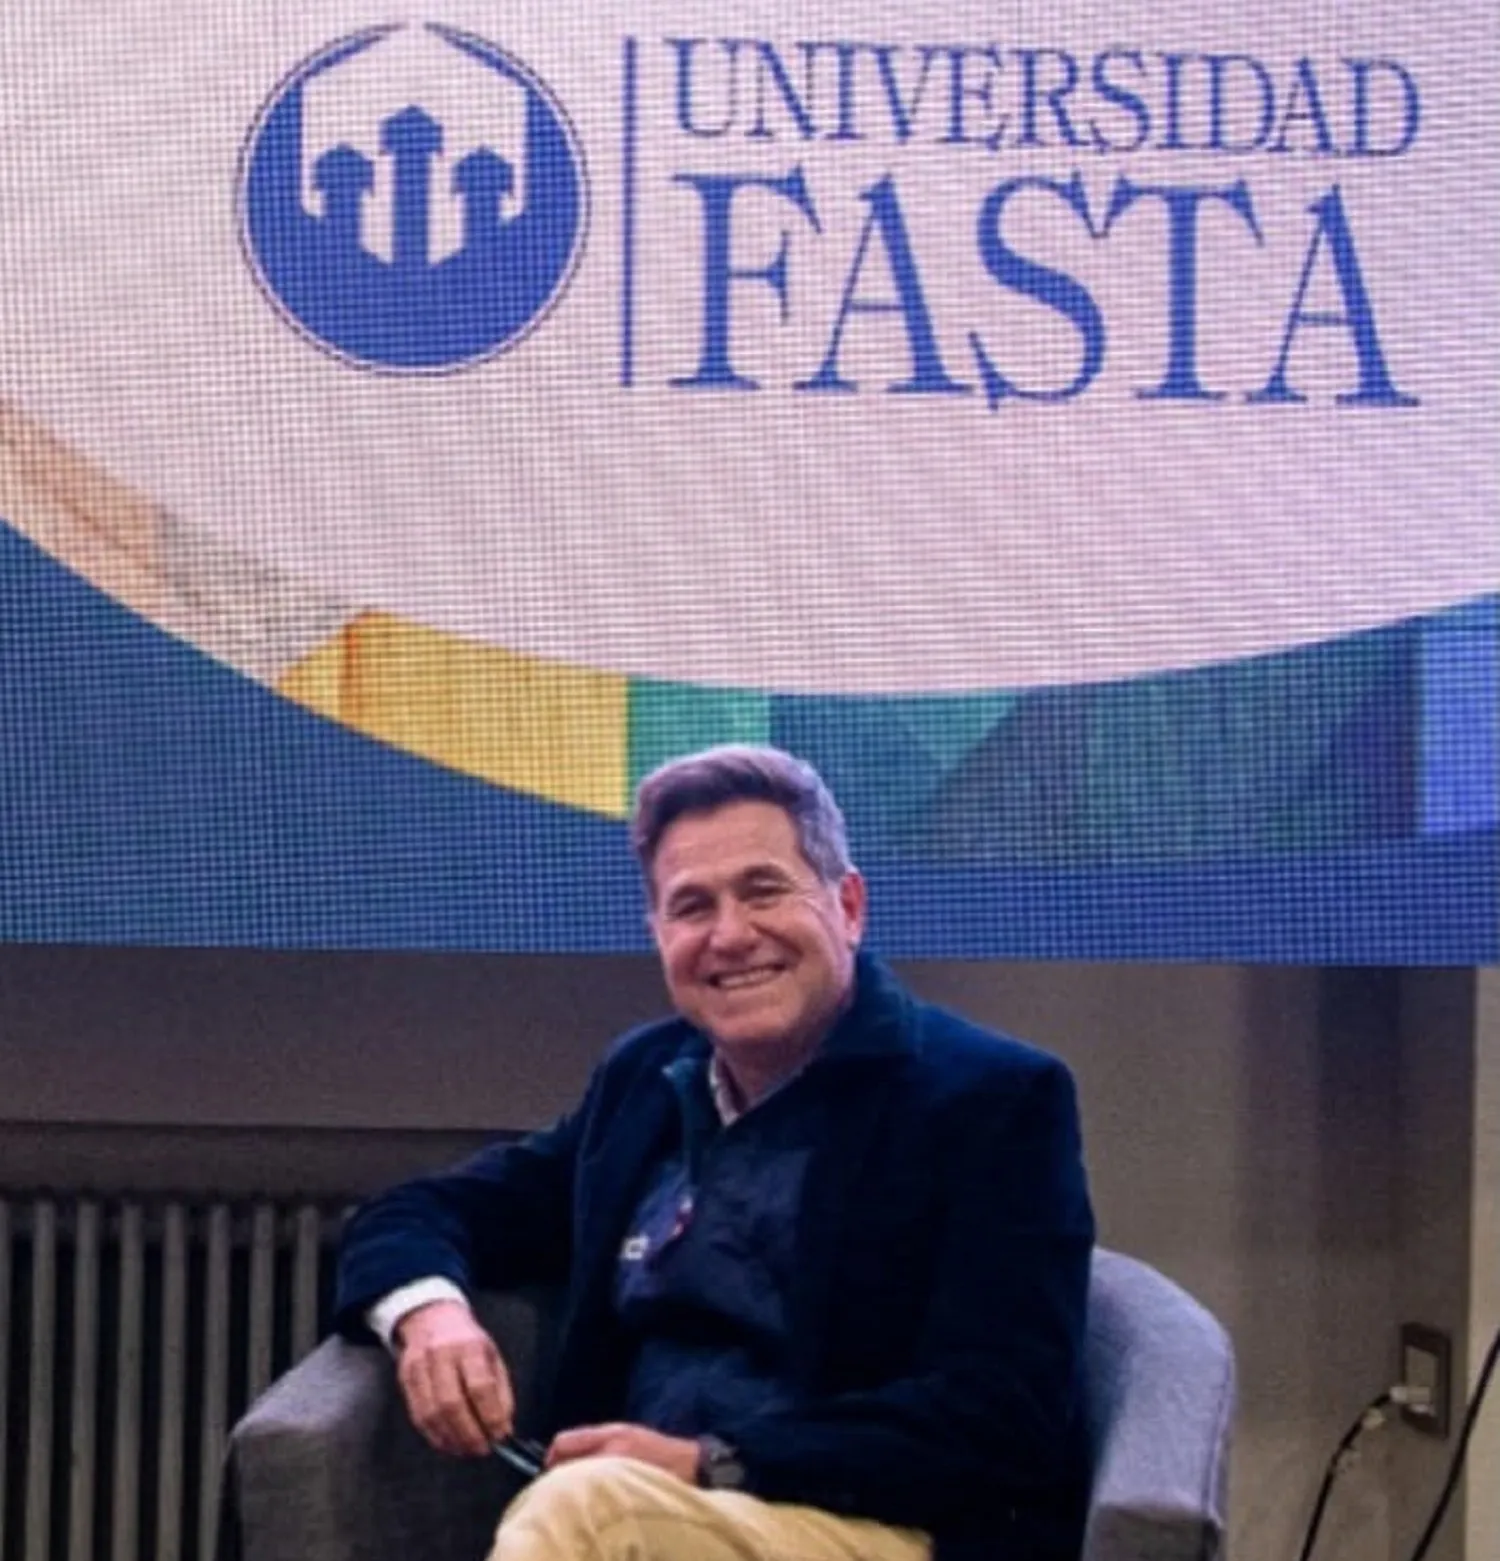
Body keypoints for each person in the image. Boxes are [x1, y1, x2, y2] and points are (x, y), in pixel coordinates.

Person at [335, 744, 1095, 1561]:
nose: (730, 935)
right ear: (659, 935)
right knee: (593, 1509)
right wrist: (429, 1314)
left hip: (876, 1522)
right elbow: (418, 1210)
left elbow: (1004, 1412)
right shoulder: (645, 1081)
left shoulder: (991, 1099)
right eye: (692, 906)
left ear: (847, 906)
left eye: (764, 890)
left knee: (591, 1512)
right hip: (639, 1513)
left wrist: (712, 1461)